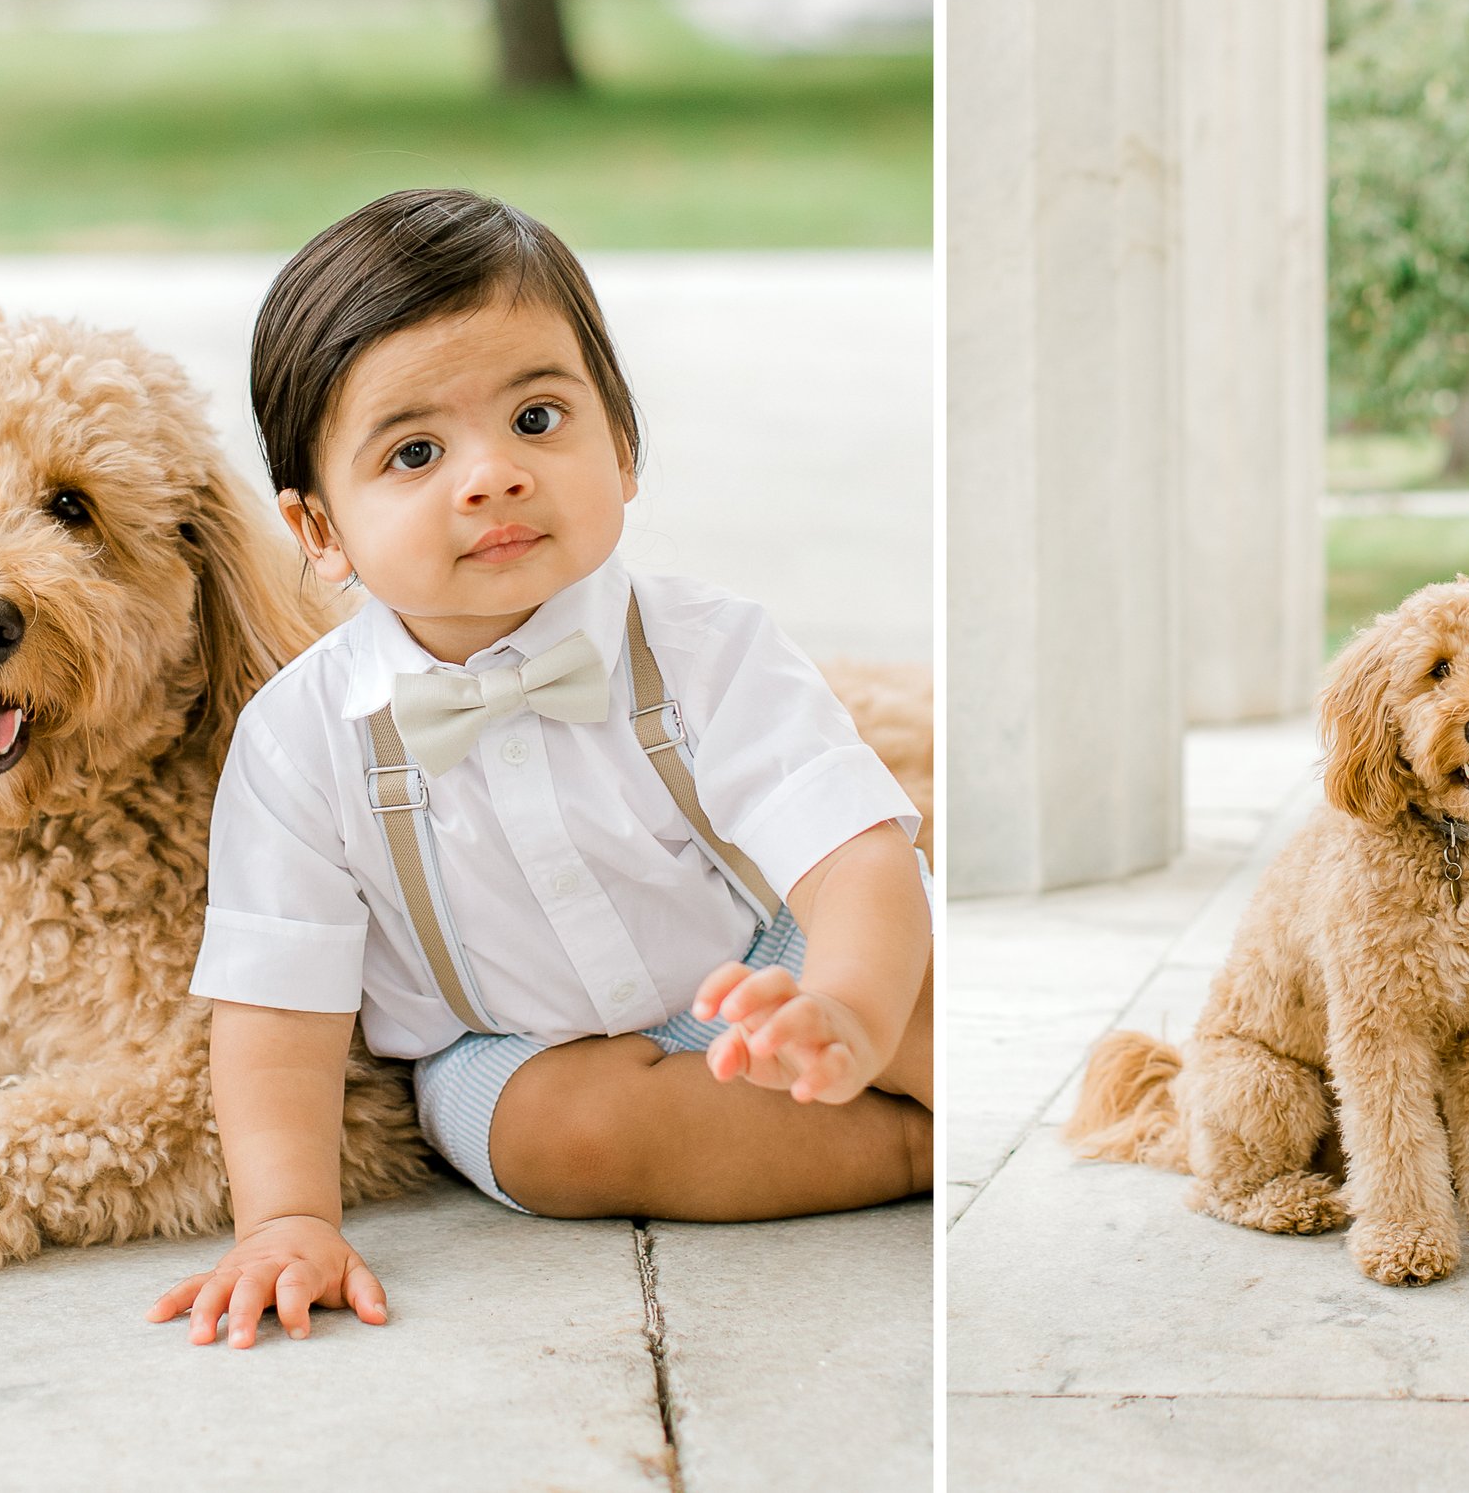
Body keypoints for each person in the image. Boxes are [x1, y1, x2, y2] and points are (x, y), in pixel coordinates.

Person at [148, 188, 932, 1346]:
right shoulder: (297, 740)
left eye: (536, 420)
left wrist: (847, 1005)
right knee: (563, 1145)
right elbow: (278, 1003)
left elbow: (853, 852)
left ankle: (898, 1071)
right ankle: (906, 1143)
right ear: (320, 534)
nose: (491, 476)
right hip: (513, 1043)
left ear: (620, 447)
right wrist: (287, 1217)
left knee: (918, 991)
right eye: (415, 451)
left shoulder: (709, 645)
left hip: (757, 963)